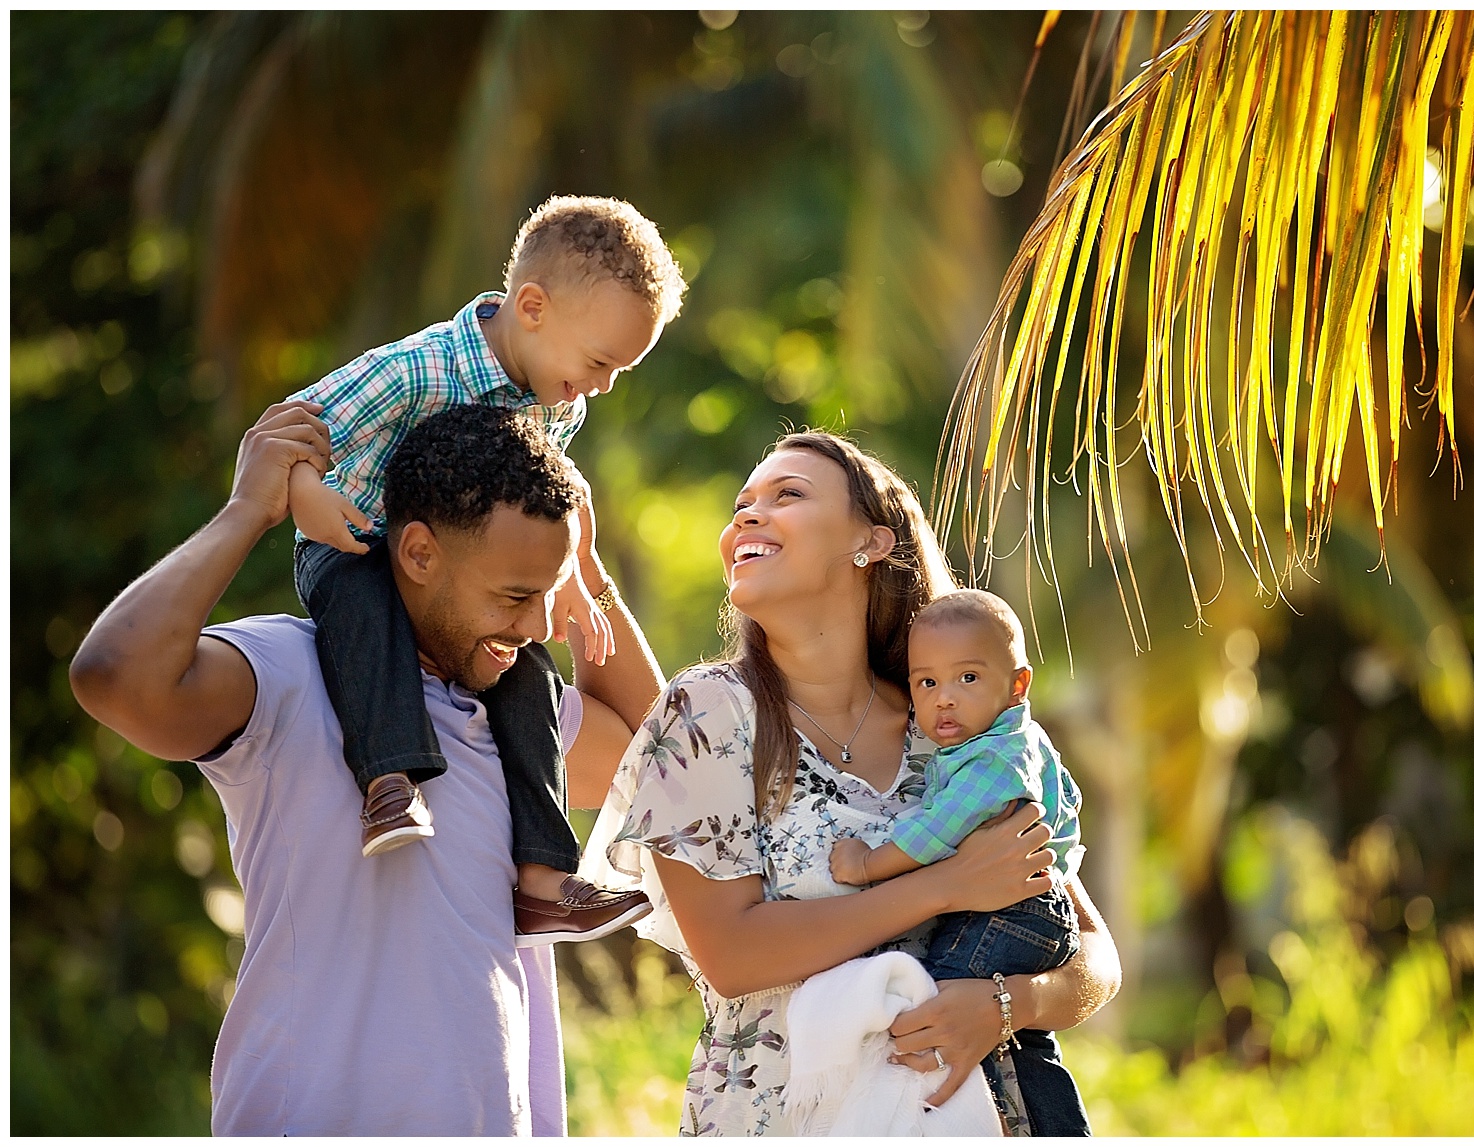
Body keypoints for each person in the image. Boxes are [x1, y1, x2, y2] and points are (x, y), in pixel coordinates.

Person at [68, 403, 667, 1134]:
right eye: (515, 595)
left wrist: (589, 575)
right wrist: (246, 512)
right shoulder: (288, 672)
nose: (538, 626)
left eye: (548, 592)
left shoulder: (515, 714)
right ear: (417, 553)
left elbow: (668, 758)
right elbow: (112, 677)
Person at [579, 431, 1122, 1136]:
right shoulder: (706, 711)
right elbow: (734, 953)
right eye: (741, 503)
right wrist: (945, 885)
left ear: (869, 542)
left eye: (787, 494)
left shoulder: (955, 725)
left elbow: (1091, 951)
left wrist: (1008, 1003)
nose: (745, 515)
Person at [286, 195, 684, 941]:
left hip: (465, 599)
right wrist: (309, 496)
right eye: (599, 362)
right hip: (358, 548)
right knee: (365, 614)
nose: (601, 386)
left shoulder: (556, 400)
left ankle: (540, 875)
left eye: (619, 372)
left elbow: (535, 518)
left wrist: (570, 580)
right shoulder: (417, 369)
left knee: (526, 678)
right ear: (531, 307)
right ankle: (388, 781)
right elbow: (293, 426)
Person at [827, 587, 1089, 1128]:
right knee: (1022, 1045)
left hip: (1014, 916)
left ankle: (962, 1119)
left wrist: (869, 864)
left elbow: (940, 830)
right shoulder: (1013, 742)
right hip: (1028, 909)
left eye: (967, 678)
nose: (944, 697)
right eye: (927, 682)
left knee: (938, 1011)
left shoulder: (995, 756)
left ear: (1017, 686)